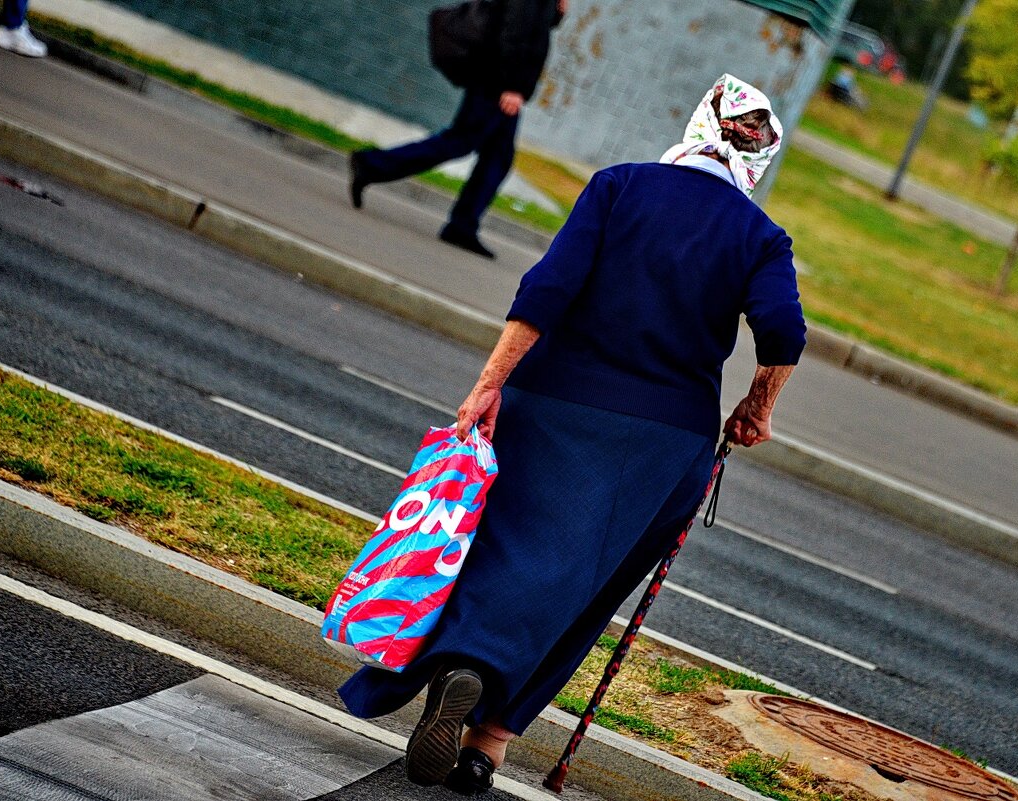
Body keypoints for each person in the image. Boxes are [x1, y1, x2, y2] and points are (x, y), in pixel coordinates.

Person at [339, 74, 806, 794]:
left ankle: (461, 658)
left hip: (550, 397)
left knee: (495, 543)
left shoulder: (619, 186)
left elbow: (547, 289)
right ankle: (486, 745)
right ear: (756, 154)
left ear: (699, 124)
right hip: (665, 439)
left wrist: (489, 382)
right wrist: (756, 407)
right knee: (588, 586)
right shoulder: (760, 236)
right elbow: (782, 332)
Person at [348, 0, 566, 260]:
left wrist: (557, 11)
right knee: (460, 141)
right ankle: (371, 164)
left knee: (498, 156)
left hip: (497, 78)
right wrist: (512, 86)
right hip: (496, 81)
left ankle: (462, 226)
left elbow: (534, 25)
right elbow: (513, 30)